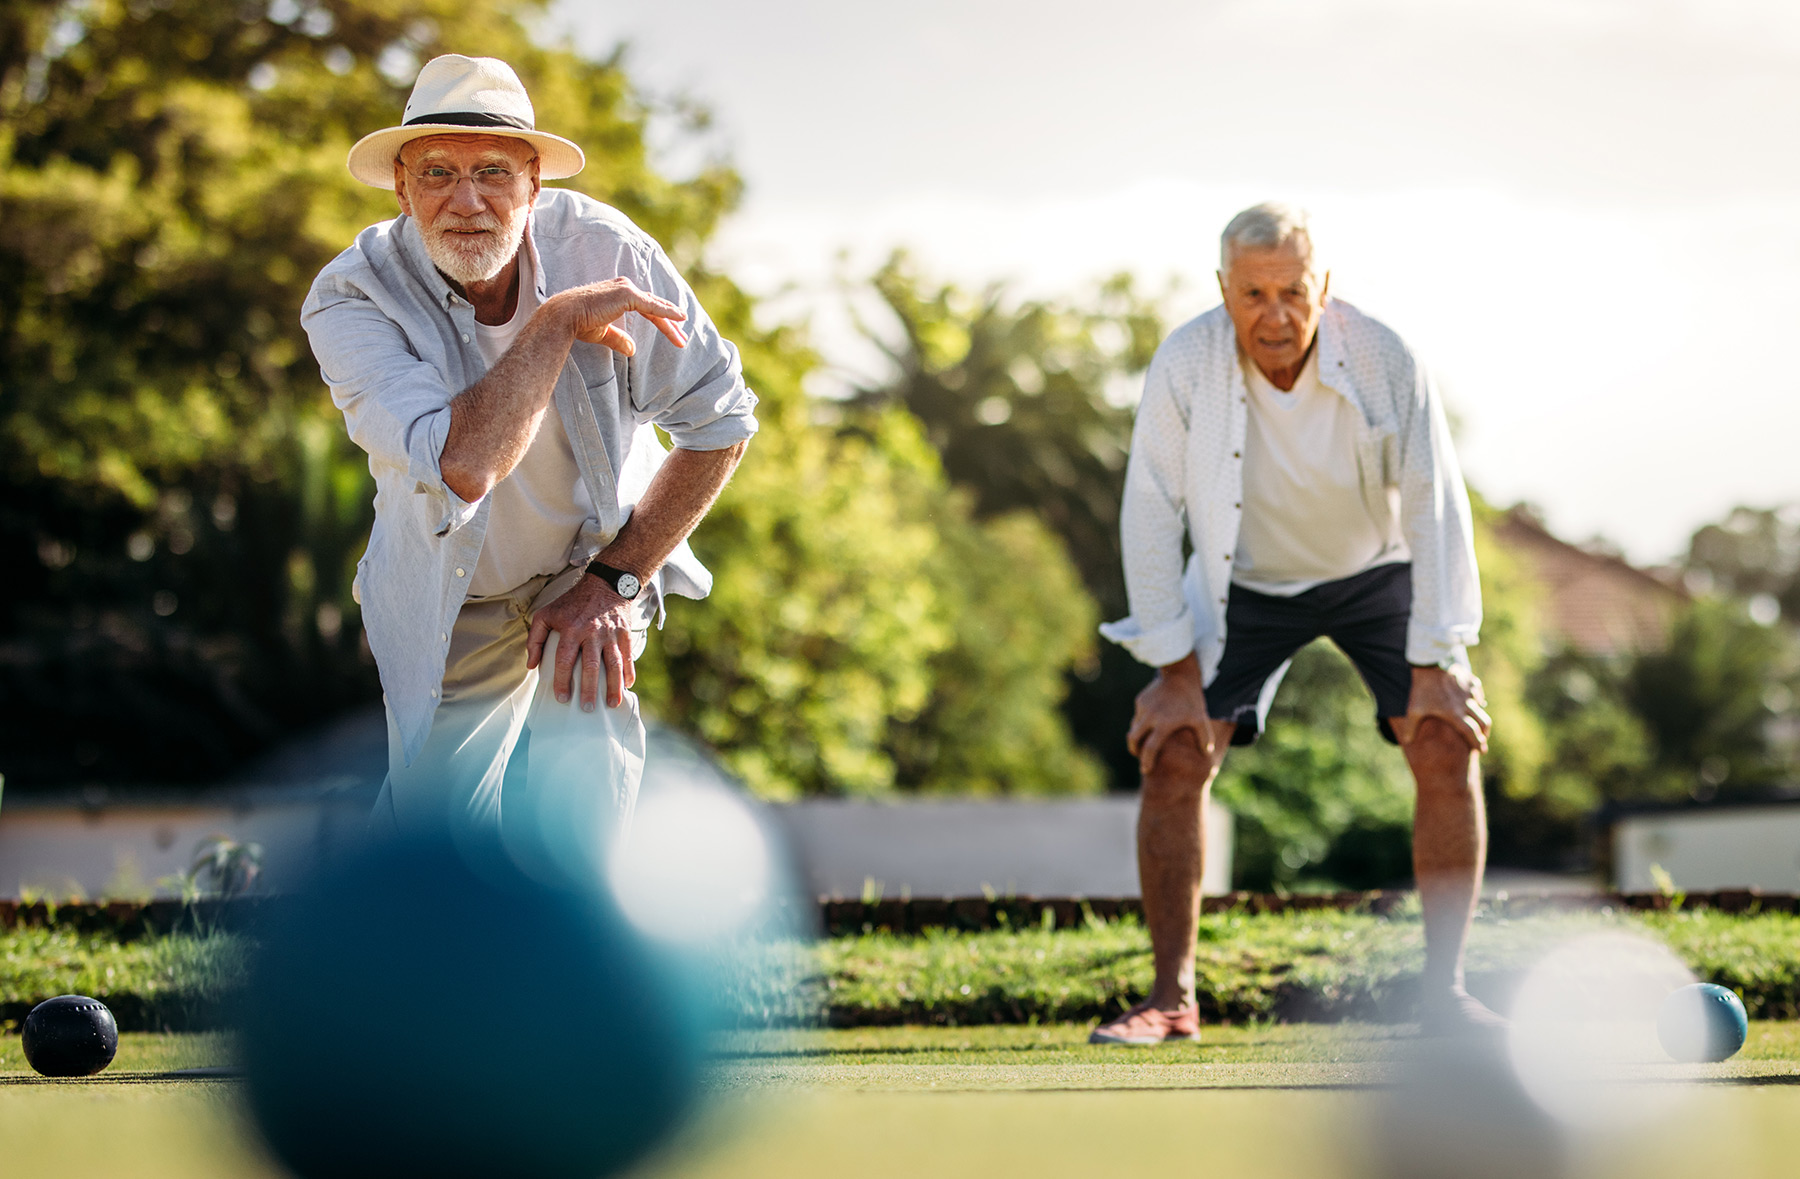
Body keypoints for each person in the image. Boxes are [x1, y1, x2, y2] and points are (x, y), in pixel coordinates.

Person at [303, 55, 757, 879]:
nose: (465, 200)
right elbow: (462, 468)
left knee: (581, 817)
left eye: (492, 173)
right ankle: (419, 995)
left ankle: (584, 995)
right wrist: (554, 326)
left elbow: (722, 421)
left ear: (534, 184)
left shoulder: (607, 247)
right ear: (401, 188)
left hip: (589, 571)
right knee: (434, 844)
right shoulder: (351, 298)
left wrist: (615, 581)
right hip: (448, 587)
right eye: (437, 172)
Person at [1092, 203, 1495, 1043]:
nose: (1273, 314)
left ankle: (1445, 995)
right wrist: (1172, 668)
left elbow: (1434, 501)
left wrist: (1437, 654)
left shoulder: (1385, 356)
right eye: (1252, 293)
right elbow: (1151, 507)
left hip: (1375, 570)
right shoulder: (1185, 361)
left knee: (1442, 735)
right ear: (1222, 290)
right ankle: (1172, 999)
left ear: (1324, 288)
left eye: (1292, 291)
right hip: (1245, 582)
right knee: (1173, 750)